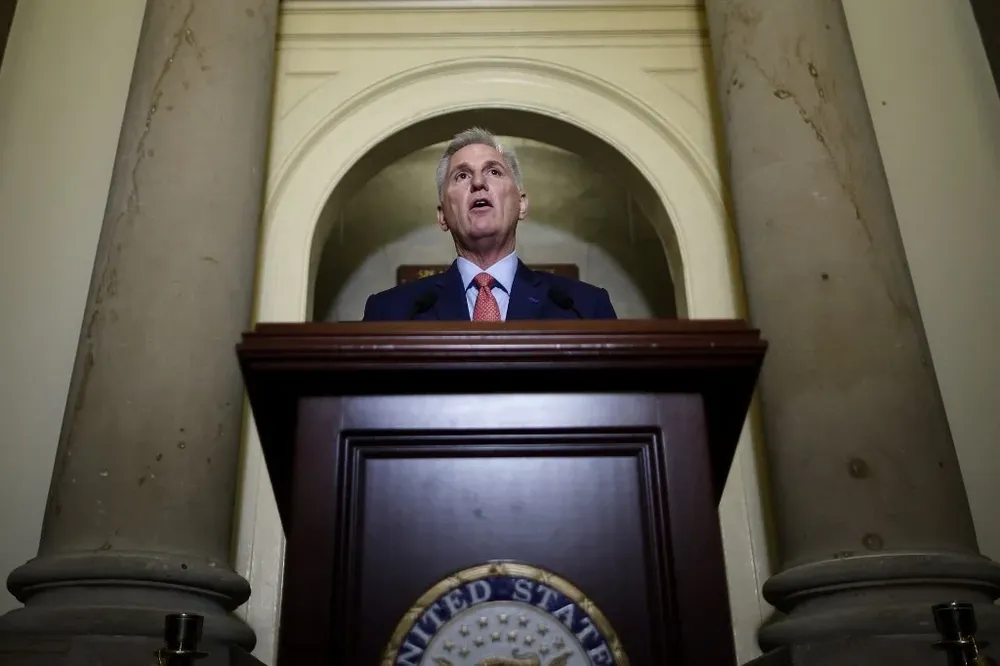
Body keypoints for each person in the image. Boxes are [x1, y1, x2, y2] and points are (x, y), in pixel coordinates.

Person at [362, 127, 618, 321]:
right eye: (461, 175)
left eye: (494, 171)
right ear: (442, 215)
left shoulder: (585, 306)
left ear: (522, 204)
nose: (477, 183)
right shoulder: (389, 311)